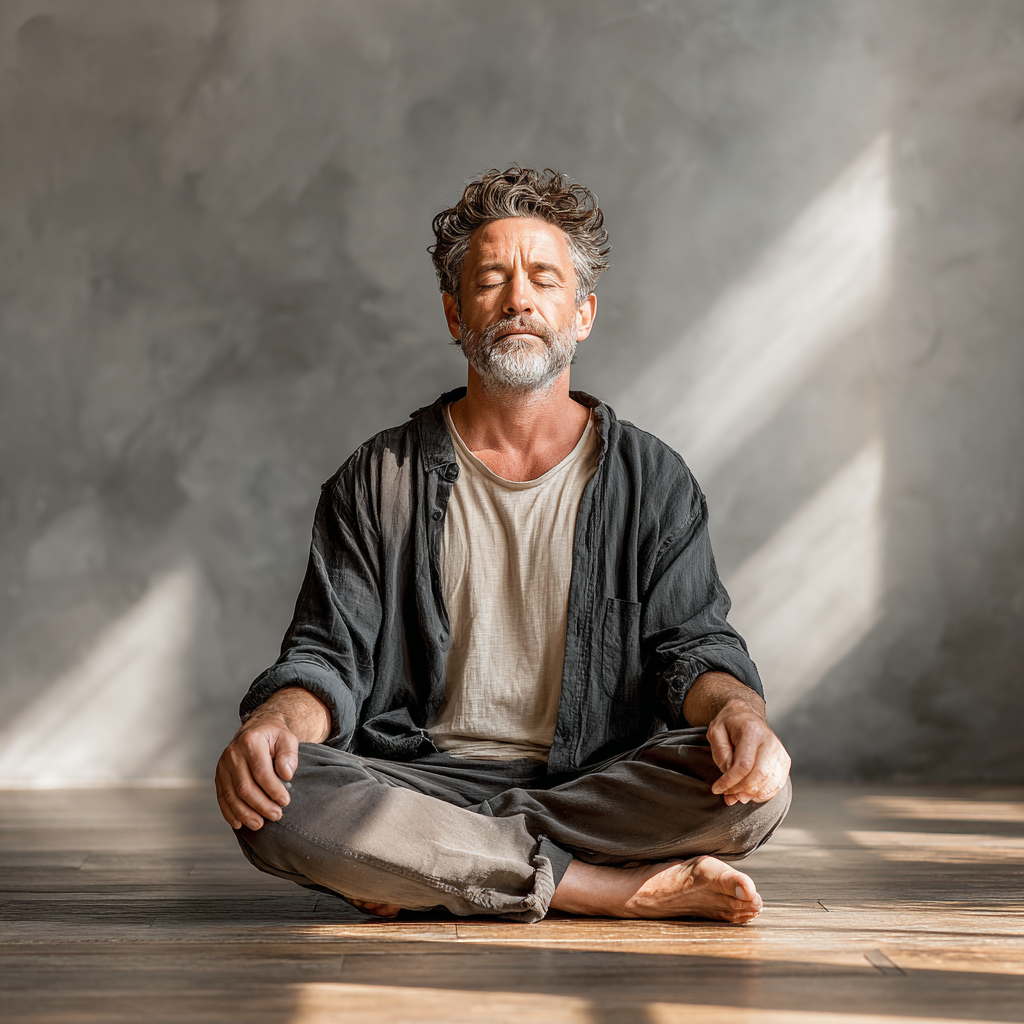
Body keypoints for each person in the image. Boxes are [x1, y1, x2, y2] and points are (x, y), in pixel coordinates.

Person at [215, 167, 792, 925]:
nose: (518, 299)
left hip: (590, 782)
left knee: (756, 791)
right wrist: (274, 727)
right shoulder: (377, 478)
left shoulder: (652, 480)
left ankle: (432, 865)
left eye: (543, 280)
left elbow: (694, 646)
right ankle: (601, 888)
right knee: (278, 798)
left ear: (581, 313)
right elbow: (329, 657)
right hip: (411, 781)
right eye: (491, 280)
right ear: (456, 315)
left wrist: (742, 714)